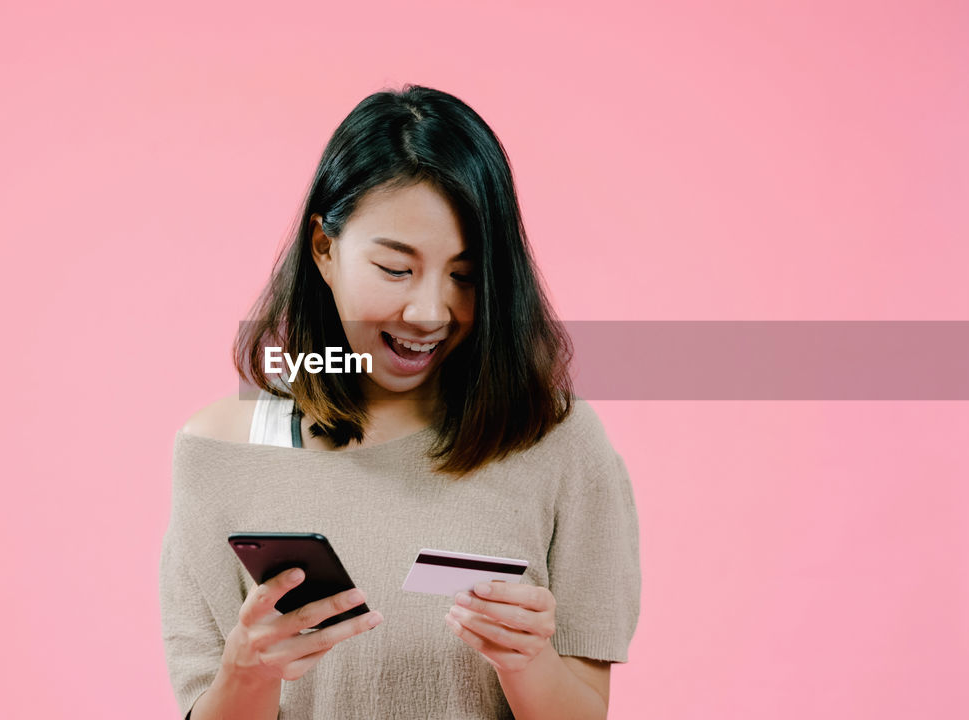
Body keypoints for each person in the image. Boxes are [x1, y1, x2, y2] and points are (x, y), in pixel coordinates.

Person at [159, 84, 640, 720]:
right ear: (324, 250)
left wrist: (528, 663)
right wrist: (247, 670)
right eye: (395, 269)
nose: (430, 311)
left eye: (465, 276)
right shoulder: (221, 451)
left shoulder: (557, 441)